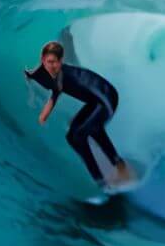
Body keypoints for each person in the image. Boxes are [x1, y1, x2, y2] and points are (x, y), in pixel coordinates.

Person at [25, 40, 133, 189]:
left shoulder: (60, 74)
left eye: (56, 62)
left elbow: (55, 94)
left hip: (105, 99)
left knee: (77, 135)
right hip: (96, 101)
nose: (52, 66)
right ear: (43, 60)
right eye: (49, 62)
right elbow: (36, 75)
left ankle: (102, 180)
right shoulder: (44, 71)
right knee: (81, 132)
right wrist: (29, 75)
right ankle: (118, 166)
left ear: (60, 61)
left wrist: (44, 115)